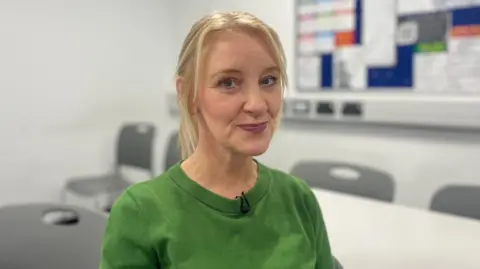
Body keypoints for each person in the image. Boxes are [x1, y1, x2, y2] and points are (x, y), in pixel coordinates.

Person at [99, 11, 334, 269]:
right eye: (229, 83)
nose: (257, 104)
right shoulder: (140, 214)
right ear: (189, 95)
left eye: (269, 80)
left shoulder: (299, 199)